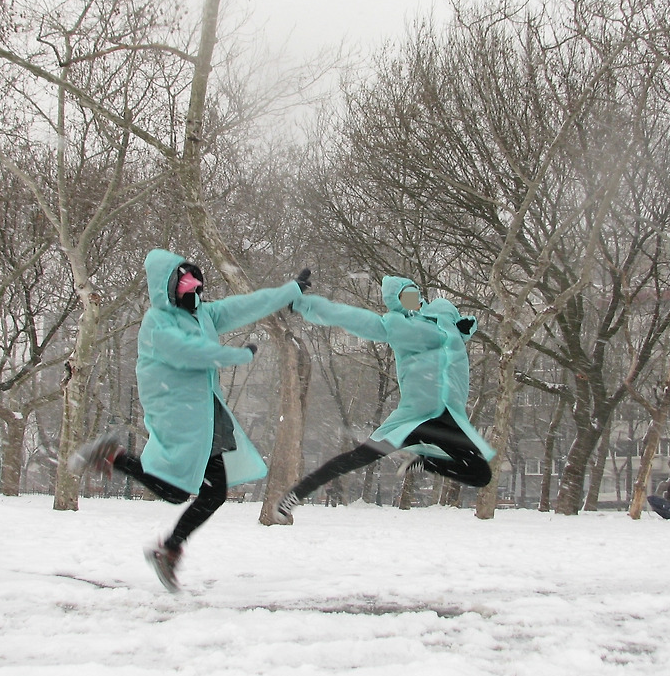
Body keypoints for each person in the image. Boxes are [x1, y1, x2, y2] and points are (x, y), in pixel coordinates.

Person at [71, 249, 307, 591]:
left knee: (213, 492)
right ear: (167, 288)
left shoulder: (204, 314)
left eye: (196, 283)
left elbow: (247, 305)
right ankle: (115, 458)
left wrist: (290, 291)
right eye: (184, 284)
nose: (194, 289)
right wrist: (234, 355)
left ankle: (168, 549)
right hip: (176, 412)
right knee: (176, 491)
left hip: (205, 412)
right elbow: (187, 352)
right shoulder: (157, 323)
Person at [274, 276, 494, 522]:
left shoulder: (443, 315)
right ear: (396, 302)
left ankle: (427, 462)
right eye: (405, 297)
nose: (412, 299)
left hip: (448, 418)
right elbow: (350, 317)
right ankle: (295, 495)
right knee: (358, 457)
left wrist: (465, 328)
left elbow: (455, 334)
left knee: (481, 475)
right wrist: (303, 303)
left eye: (414, 293)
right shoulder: (397, 326)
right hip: (413, 418)